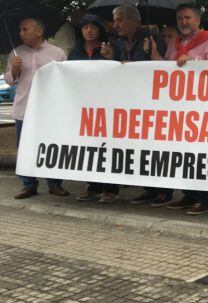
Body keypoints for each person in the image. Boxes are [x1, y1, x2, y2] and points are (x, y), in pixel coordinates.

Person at [103, 5, 173, 207]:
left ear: (134, 21)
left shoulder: (151, 41)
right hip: (130, 106)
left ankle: (164, 191)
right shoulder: (119, 43)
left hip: (152, 105)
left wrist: (150, 55)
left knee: (157, 148)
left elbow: (161, 69)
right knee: (141, 151)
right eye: (114, 20)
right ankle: (149, 189)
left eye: (119, 20)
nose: (115, 24)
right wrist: (111, 58)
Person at [155, 3, 208, 216]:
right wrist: (155, 54)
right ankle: (189, 194)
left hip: (200, 108)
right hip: (178, 107)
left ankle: (205, 198)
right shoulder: (175, 43)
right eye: (180, 18)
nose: (183, 22)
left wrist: (193, 62)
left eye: (187, 18)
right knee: (182, 154)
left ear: (197, 20)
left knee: (200, 154)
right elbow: (166, 68)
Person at [5, 18, 69, 200]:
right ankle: (28, 184)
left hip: (49, 110)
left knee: (52, 146)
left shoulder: (57, 53)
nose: (21, 33)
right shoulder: (16, 53)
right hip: (24, 108)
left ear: (39, 32)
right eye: (20, 30)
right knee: (25, 147)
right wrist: (15, 70)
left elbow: (65, 80)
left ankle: (55, 183)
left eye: (25, 29)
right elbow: (10, 80)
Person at [68, 14, 122, 203]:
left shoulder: (110, 49)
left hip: (108, 107)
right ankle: (93, 186)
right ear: (80, 31)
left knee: (109, 147)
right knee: (88, 148)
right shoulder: (74, 53)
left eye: (93, 27)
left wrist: (111, 58)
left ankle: (111, 189)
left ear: (100, 30)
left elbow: (122, 74)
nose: (89, 31)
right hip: (83, 107)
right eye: (85, 27)